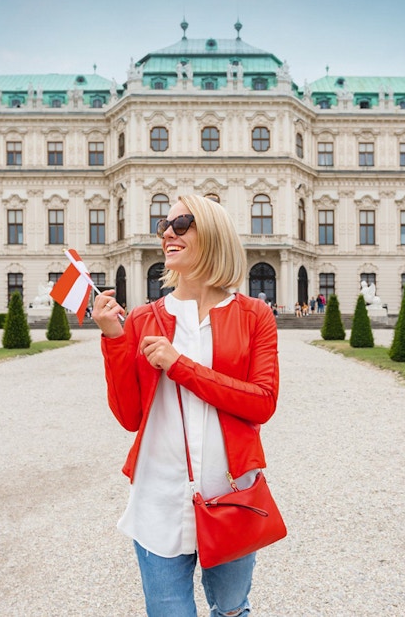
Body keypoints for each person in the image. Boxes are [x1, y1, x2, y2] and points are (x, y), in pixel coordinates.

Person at [92, 195, 280, 617]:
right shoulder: (143, 318)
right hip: (158, 497)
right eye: (164, 224)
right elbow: (129, 416)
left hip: (231, 492)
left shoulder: (254, 316)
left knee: (232, 608)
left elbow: (262, 403)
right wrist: (113, 339)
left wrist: (180, 366)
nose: (167, 233)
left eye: (182, 223)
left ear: (212, 233)